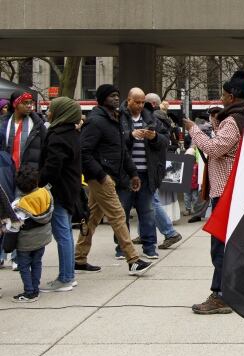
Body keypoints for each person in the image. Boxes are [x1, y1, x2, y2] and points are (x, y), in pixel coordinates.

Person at [184, 70, 244, 315]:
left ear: (231, 96)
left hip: (227, 191)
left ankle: (220, 295)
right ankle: (236, 290)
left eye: (223, 95)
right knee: (233, 244)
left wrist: (194, 129)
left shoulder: (233, 121)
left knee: (220, 245)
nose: (221, 99)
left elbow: (214, 149)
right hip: (236, 189)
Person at [76, 84, 152, 275]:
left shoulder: (115, 119)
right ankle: (133, 259)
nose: (116, 99)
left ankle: (79, 258)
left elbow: (123, 151)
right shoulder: (95, 121)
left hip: (111, 176)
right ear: (102, 99)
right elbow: (84, 152)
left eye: (117, 95)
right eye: (111, 96)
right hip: (101, 178)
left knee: (92, 217)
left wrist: (133, 173)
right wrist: (102, 176)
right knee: (118, 216)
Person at [118, 88, 171, 260]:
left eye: (142, 102)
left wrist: (154, 137)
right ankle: (122, 248)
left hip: (147, 174)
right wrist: (131, 136)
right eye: (137, 102)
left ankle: (150, 247)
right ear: (129, 100)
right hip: (125, 175)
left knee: (147, 212)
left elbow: (165, 140)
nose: (140, 105)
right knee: (122, 212)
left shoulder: (152, 117)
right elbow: (115, 142)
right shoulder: (120, 117)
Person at [38, 97, 82, 292]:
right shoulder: (72, 133)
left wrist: (40, 183)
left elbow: (52, 167)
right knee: (66, 234)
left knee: (62, 233)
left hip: (58, 190)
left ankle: (66, 277)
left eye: (51, 109)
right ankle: (68, 275)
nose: (48, 112)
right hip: (69, 188)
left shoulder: (57, 136)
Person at [0, 91, 47, 270]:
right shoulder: (4, 123)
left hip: (27, 176)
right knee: (4, 213)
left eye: (31, 103)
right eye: (25, 103)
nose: (29, 106)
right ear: (15, 104)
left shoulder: (37, 124)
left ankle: (18, 256)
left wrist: (38, 174)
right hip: (6, 173)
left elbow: (45, 149)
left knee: (21, 215)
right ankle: (2, 253)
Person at [5, 165, 53, 303]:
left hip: (26, 242)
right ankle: (35, 288)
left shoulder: (19, 204)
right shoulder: (45, 193)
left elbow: (13, 226)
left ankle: (29, 292)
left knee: (24, 266)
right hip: (42, 237)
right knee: (37, 262)